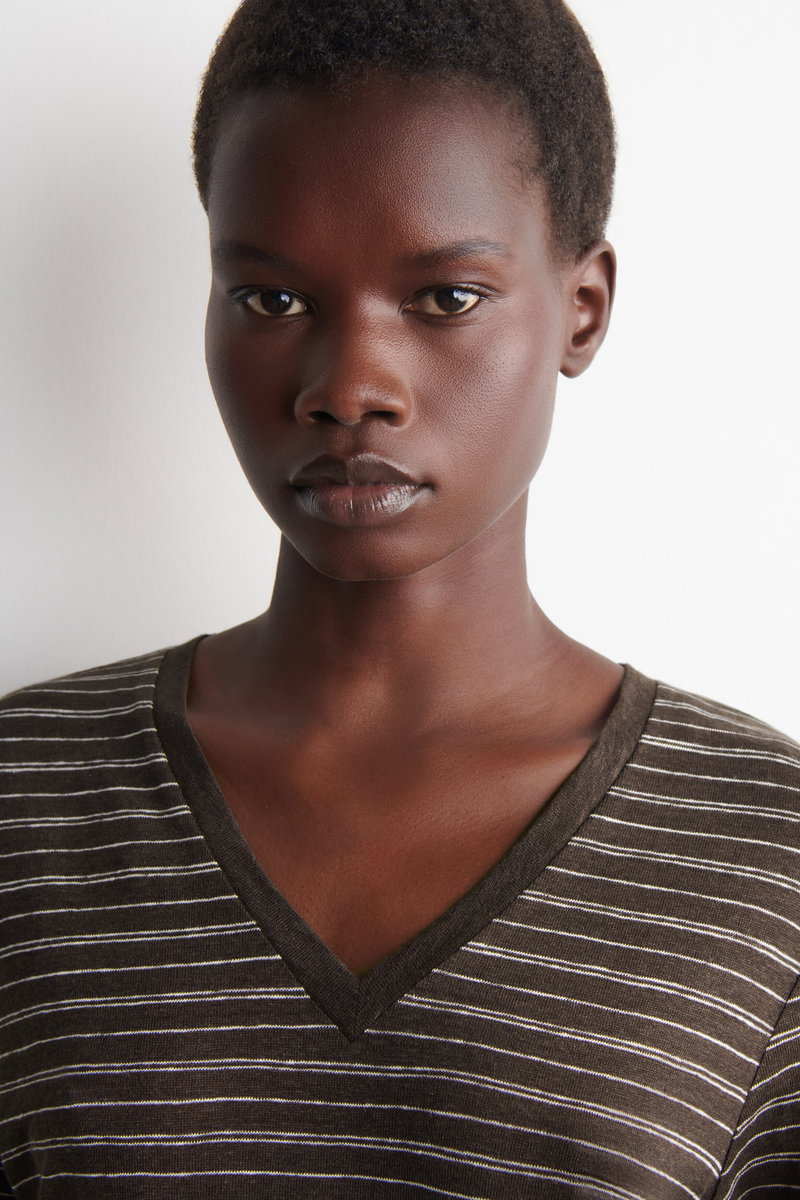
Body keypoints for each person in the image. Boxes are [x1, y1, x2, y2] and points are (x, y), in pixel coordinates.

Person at [1, 0, 799, 1196]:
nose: (350, 386)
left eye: (444, 299)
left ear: (582, 308)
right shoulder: (25, 798)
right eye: (271, 300)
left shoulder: (763, 853)